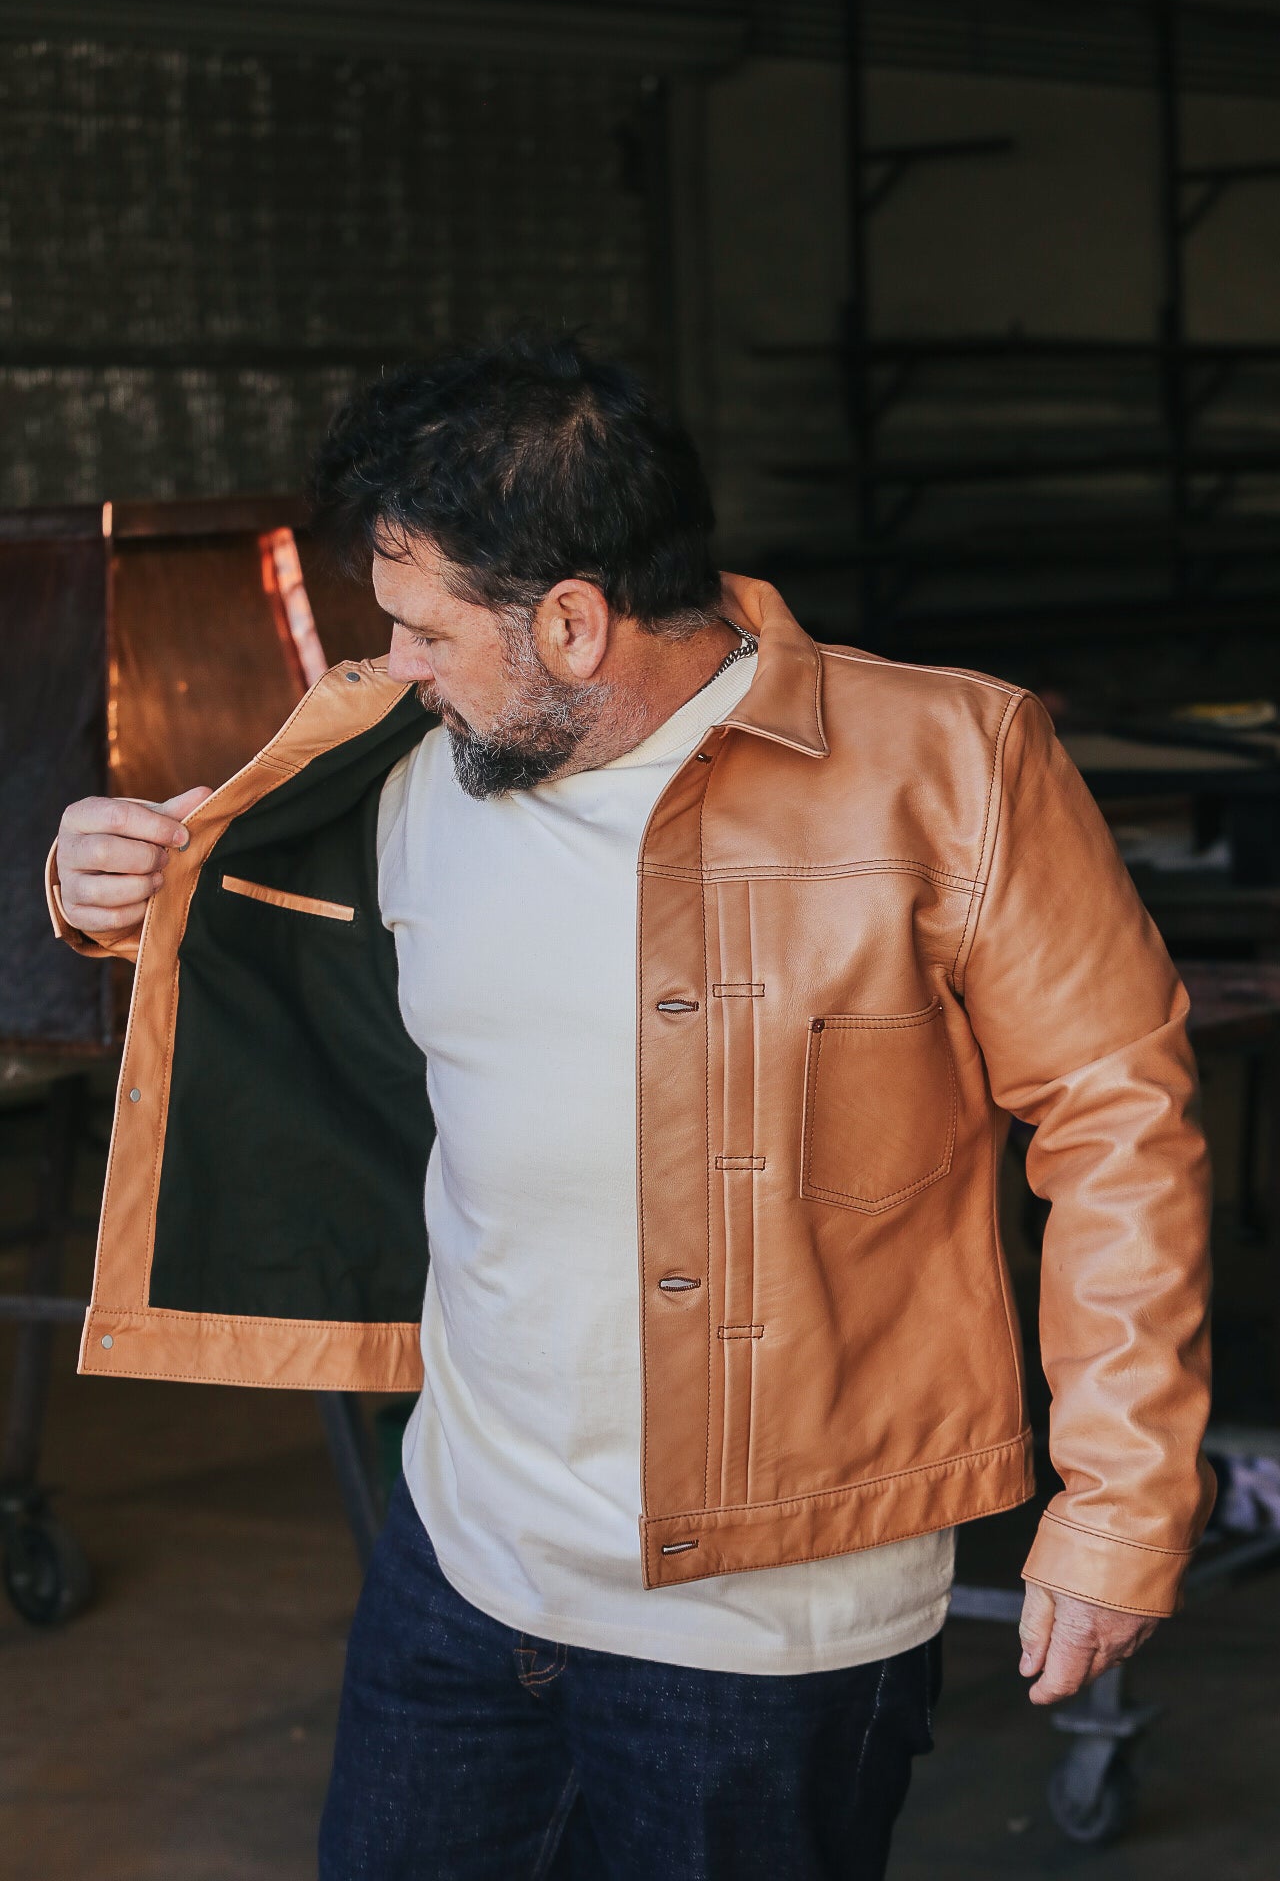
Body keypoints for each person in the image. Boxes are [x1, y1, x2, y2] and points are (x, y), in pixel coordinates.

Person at [49, 334, 1213, 1881]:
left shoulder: (954, 762)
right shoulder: (403, 763)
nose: (392, 661)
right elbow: (229, 920)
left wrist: (1125, 1500)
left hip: (767, 1627)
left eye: (422, 627)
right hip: (457, 1578)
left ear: (576, 623)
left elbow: (1119, 1120)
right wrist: (94, 889)